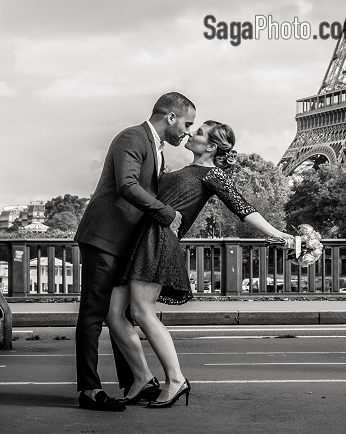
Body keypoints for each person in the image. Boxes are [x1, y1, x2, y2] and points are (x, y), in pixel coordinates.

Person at [106, 120, 294, 409]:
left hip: (158, 241)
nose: (191, 133)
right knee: (114, 313)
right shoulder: (183, 170)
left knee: (143, 312)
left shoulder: (213, 175)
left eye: (200, 132)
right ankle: (142, 378)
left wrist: (278, 234)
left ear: (211, 146)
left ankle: (176, 379)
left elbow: (243, 208)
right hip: (140, 240)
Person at [71, 92, 195, 412]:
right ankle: (89, 390)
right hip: (104, 239)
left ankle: (136, 382)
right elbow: (127, 185)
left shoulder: (157, 148)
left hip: (125, 243)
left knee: (119, 314)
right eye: (187, 123)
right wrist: (166, 213)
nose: (188, 131)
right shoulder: (132, 137)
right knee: (94, 316)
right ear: (170, 117)